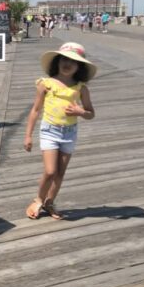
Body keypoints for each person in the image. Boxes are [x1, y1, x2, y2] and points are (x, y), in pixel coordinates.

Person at [23, 42, 97, 220]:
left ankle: (50, 202)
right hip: (49, 130)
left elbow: (91, 113)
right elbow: (35, 110)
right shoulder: (46, 84)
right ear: (57, 61)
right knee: (50, 171)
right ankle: (38, 199)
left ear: (79, 67)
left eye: (73, 61)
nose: (67, 63)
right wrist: (28, 135)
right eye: (64, 59)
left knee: (60, 173)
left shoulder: (81, 88)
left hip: (69, 133)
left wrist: (80, 112)